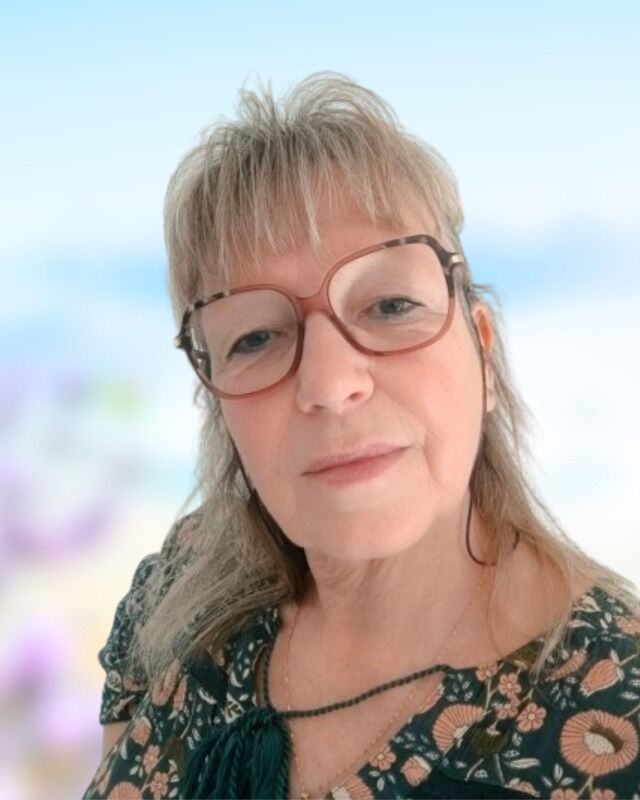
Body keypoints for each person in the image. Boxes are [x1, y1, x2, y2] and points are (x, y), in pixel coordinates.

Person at [83, 73, 640, 800]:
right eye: (256, 337)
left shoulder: (619, 712)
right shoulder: (173, 596)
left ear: (482, 352)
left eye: (390, 304)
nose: (329, 382)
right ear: (219, 403)